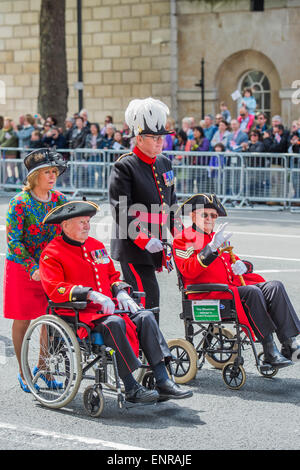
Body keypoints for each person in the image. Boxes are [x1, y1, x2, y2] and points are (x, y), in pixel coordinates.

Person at [40, 200, 193, 404]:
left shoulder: (95, 245)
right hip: (81, 313)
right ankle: (131, 387)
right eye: (81, 222)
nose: (87, 226)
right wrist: (90, 294)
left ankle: (163, 380)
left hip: (109, 307)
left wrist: (120, 291)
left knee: (146, 316)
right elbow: (54, 288)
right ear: (65, 225)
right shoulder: (52, 252)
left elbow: (112, 275)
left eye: (88, 221)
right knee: (115, 324)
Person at [173, 193, 300, 367]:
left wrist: (243, 265)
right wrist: (211, 249)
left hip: (228, 290)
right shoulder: (184, 238)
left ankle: (289, 344)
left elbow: (234, 260)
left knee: (275, 287)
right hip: (207, 294)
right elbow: (188, 270)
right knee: (252, 292)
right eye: (205, 215)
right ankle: (269, 349)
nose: (210, 219)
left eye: (213, 216)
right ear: (193, 216)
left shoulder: (216, 237)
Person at [109, 97, 182, 316]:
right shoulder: (125, 166)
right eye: (154, 138)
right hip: (133, 248)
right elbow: (120, 209)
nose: (160, 142)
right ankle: (150, 349)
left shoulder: (164, 162)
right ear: (139, 138)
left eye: (162, 138)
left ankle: (141, 345)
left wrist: (180, 236)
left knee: (142, 302)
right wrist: (143, 238)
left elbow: (171, 203)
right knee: (149, 299)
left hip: (156, 244)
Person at [3, 148, 68, 392]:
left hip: (50, 267)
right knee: (23, 319)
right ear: (34, 175)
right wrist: (32, 267)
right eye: (46, 172)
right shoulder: (19, 202)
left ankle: (45, 368)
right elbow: (14, 241)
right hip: (23, 267)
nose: (52, 176)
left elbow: (67, 232)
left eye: (54, 172)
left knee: (50, 319)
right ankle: (23, 370)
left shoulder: (60, 200)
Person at [0, 116, 19, 184]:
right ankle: (4, 183)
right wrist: (4, 132)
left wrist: (1, 146)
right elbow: (1, 140)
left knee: (12, 168)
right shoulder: (2, 131)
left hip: (11, 152)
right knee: (4, 168)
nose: (5, 123)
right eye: (5, 121)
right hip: (3, 153)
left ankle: (13, 181)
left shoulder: (12, 131)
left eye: (7, 122)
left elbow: (10, 141)